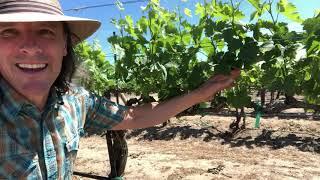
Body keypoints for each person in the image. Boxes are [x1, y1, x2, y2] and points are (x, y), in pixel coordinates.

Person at [0, 0, 240, 179]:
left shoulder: (76, 101)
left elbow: (135, 116)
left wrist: (201, 94)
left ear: (66, 45)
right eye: (9, 32)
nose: (30, 47)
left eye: (45, 31)